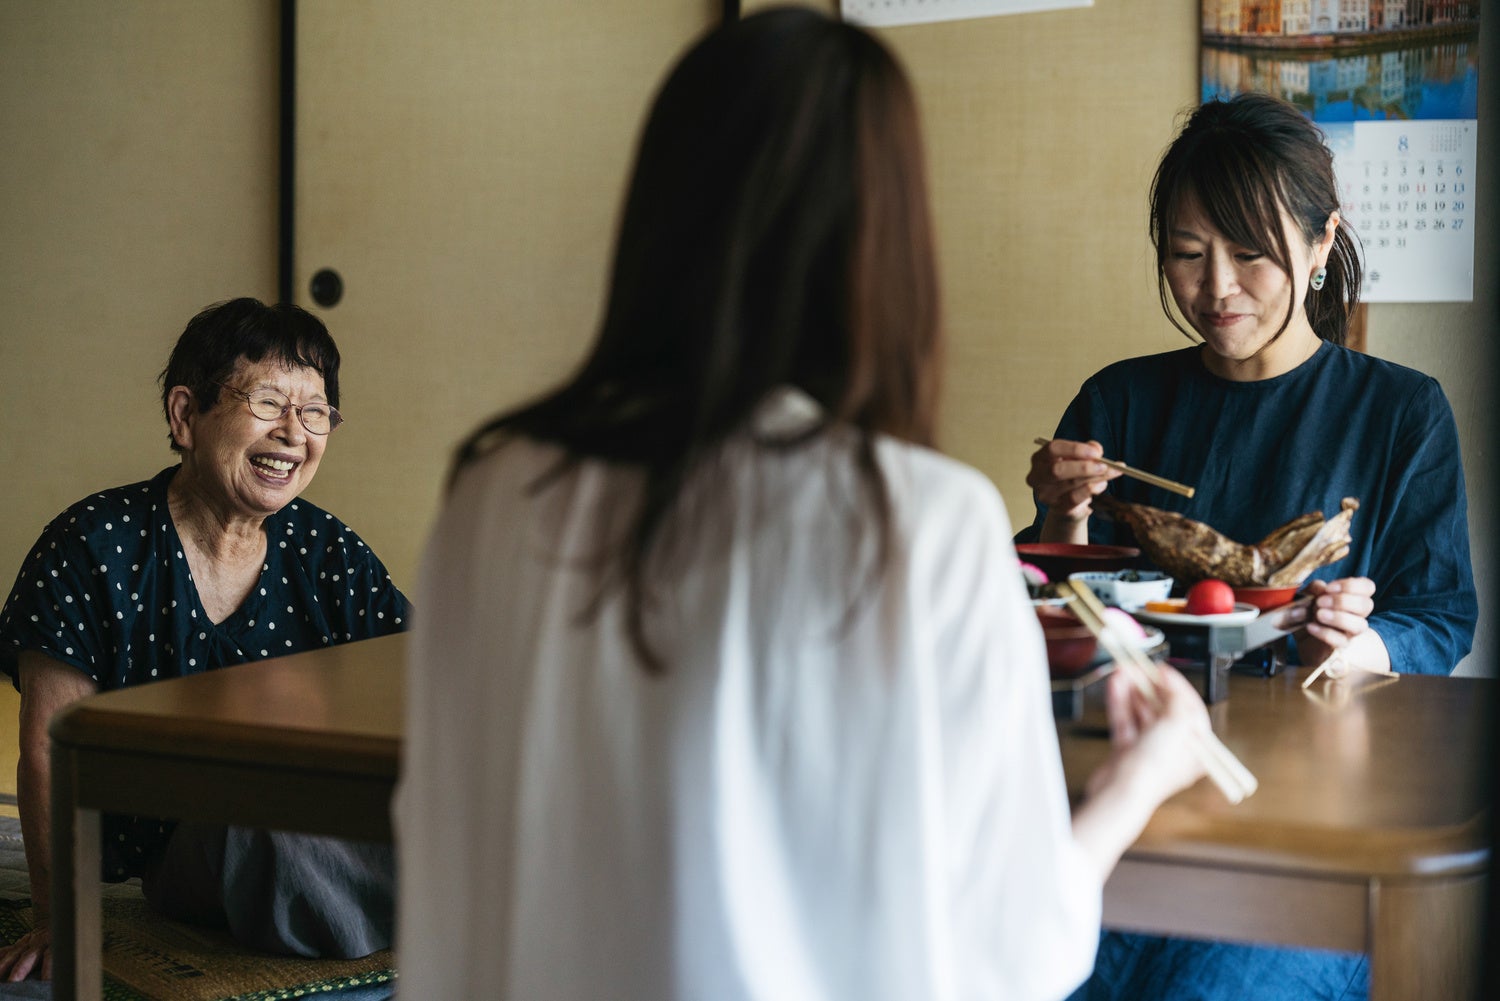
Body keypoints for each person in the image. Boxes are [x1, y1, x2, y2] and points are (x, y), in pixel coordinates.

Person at [395, 8, 1213, 1000]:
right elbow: (1013, 948)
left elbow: (443, 872)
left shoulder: (492, 491)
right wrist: (1147, 770)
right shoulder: (922, 518)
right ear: (888, 238)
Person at [1024, 94, 1477, 999]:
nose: (1217, 288)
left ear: (1319, 245)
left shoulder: (1400, 411)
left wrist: (1356, 647)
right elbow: (1052, 608)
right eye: (1189, 255)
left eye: (1251, 254)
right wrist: (1062, 517)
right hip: (1121, 798)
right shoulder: (1119, 402)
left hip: (1311, 822)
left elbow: (1441, 614)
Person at [0, 298, 409, 983]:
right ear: (186, 416)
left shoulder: (328, 549)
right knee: (275, 833)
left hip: (332, 821)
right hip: (206, 840)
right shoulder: (93, 545)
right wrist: (58, 918)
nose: (293, 432)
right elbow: (49, 751)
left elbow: (422, 676)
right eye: (269, 401)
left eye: (315, 412)